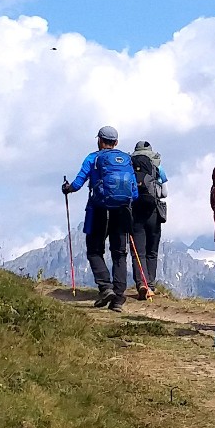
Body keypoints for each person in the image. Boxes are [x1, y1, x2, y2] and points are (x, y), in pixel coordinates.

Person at [62, 126, 139, 309]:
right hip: (122, 211)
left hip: (99, 209)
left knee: (94, 250)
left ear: (99, 140)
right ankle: (118, 299)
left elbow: (78, 183)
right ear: (116, 143)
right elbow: (134, 192)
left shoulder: (93, 158)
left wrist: (67, 188)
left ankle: (105, 287)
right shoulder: (126, 159)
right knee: (119, 253)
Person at [130, 141, 168, 298]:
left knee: (138, 252)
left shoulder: (129, 165)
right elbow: (164, 193)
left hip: (135, 212)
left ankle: (141, 284)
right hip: (153, 212)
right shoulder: (157, 166)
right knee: (152, 251)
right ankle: (150, 285)